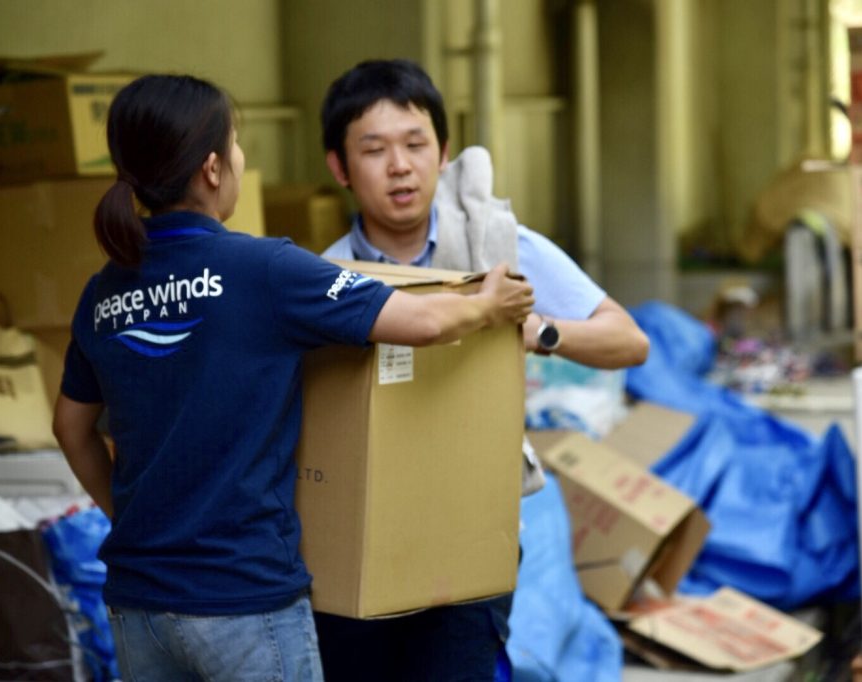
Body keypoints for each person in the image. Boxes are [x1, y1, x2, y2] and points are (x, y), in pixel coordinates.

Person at [51, 73, 534, 682]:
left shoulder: (104, 292)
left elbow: (70, 428)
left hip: (138, 604)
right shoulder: (262, 269)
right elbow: (421, 322)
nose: (239, 157)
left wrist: (129, 520)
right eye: (235, 144)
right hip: (243, 599)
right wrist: (488, 306)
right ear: (212, 169)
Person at [315, 59, 649, 681]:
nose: (399, 166)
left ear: (444, 152)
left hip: (470, 541)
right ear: (339, 167)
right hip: (363, 543)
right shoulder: (324, 279)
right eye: (374, 150)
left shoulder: (498, 248)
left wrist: (538, 332)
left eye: (415, 144)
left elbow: (629, 341)